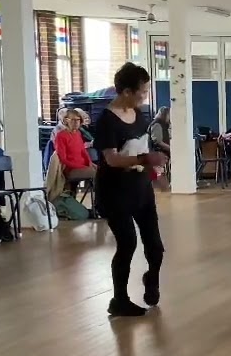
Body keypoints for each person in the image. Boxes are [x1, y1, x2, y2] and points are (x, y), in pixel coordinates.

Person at [93, 63, 166, 317]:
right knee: (127, 243)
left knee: (155, 246)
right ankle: (119, 299)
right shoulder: (106, 121)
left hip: (141, 189)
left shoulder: (140, 115)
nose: (144, 96)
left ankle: (152, 278)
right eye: (141, 92)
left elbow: (141, 147)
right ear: (125, 91)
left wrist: (155, 174)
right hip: (115, 192)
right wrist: (145, 160)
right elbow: (112, 159)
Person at [54, 108, 97, 188]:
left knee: (105, 170)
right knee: (100, 173)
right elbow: (63, 159)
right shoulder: (61, 136)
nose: (76, 122)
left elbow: (83, 151)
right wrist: (83, 167)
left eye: (78, 120)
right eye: (73, 120)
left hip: (83, 166)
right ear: (66, 120)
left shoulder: (78, 133)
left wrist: (90, 163)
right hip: (71, 169)